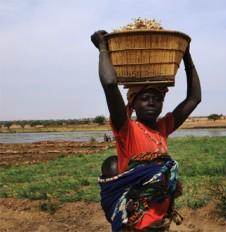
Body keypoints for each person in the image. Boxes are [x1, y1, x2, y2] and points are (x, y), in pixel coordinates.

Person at [91, 30, 201, 231]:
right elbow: (109, 84)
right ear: (133, 103)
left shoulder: (163, 128)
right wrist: (102, 48)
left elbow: (194, 99)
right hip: (136, 226)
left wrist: (186, 55)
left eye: (158, 98)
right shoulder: (127, 130)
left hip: (160, 222)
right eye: (145, 98)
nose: (152, 102)